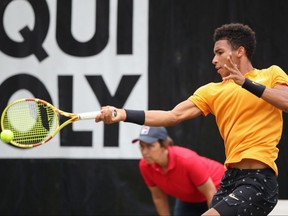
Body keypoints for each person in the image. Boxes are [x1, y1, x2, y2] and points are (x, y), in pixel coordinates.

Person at [96, 23, 288, 215]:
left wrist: (245, 83)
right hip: (230, 179)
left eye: (219, 52)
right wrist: (123, 114)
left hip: (259, 180)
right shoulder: (211, 91)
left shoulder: (270, 74)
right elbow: (173, 115)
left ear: (240, 51)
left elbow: (285, 101)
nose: (214, 60)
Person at [132, 125, 225, 216]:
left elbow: (210, 192)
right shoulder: (145, 165)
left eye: (149, 146)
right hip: (190, 198)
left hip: (219, 190)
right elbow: (159, 197)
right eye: (142, 146)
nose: (144, 152)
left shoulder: (187, 160)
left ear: (164, 145)